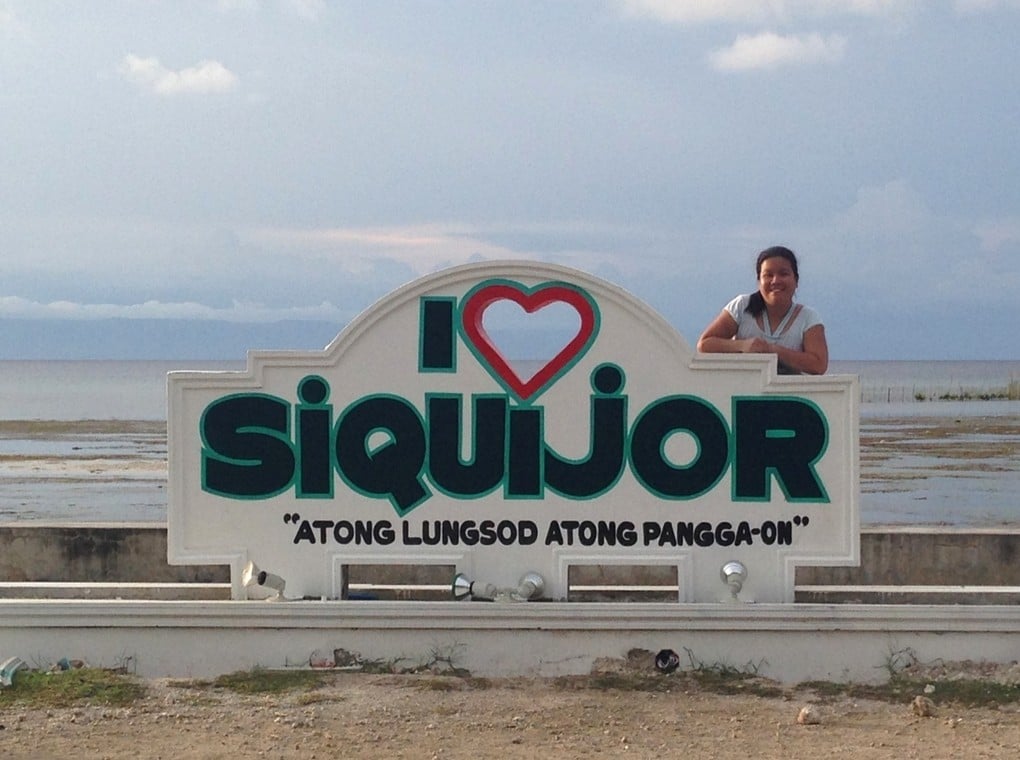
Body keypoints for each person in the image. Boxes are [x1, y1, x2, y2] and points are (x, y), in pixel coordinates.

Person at [696, 246, 828, 375]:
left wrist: (771, 350)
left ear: (796, 280)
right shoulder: (742, 306)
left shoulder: (808, 317)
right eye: (768, 275)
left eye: (783, 274)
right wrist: (743, 346)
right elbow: (705, 344)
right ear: (759, 281)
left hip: (788, 394)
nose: (775, 281)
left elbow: (819, 365)